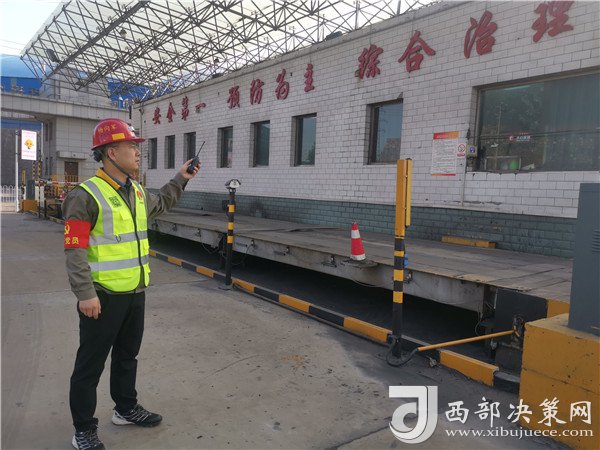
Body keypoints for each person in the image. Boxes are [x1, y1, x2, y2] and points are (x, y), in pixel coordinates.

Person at [63, 118, 201, 450]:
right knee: (90, 366)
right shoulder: (85, 195)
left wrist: (181, 178)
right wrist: (85, 294)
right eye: (131, 147)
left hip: (135, 291)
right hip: (102, 296)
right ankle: (83, 429)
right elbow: (74, 249)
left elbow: (162, 203)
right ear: (111, 152)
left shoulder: (136, 191)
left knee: (127, 356)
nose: (138, 153)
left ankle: (125, 409)